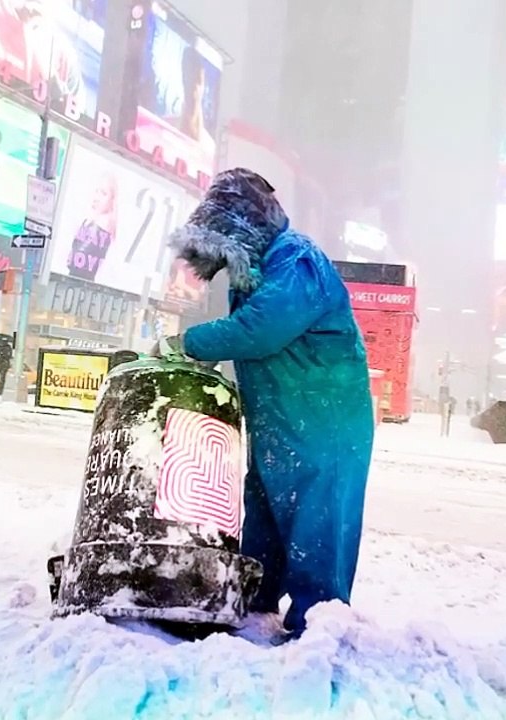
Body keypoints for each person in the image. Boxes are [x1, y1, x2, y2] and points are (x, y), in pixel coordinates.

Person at [157, 168, 374, 639]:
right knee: (267, 514)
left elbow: (259, 330)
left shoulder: (296, 262)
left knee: (317, 520)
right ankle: (255, 599)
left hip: (324, 422)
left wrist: (188, 343)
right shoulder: (259, 266)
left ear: (243, 225)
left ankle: (316, 622)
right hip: (282, 419)